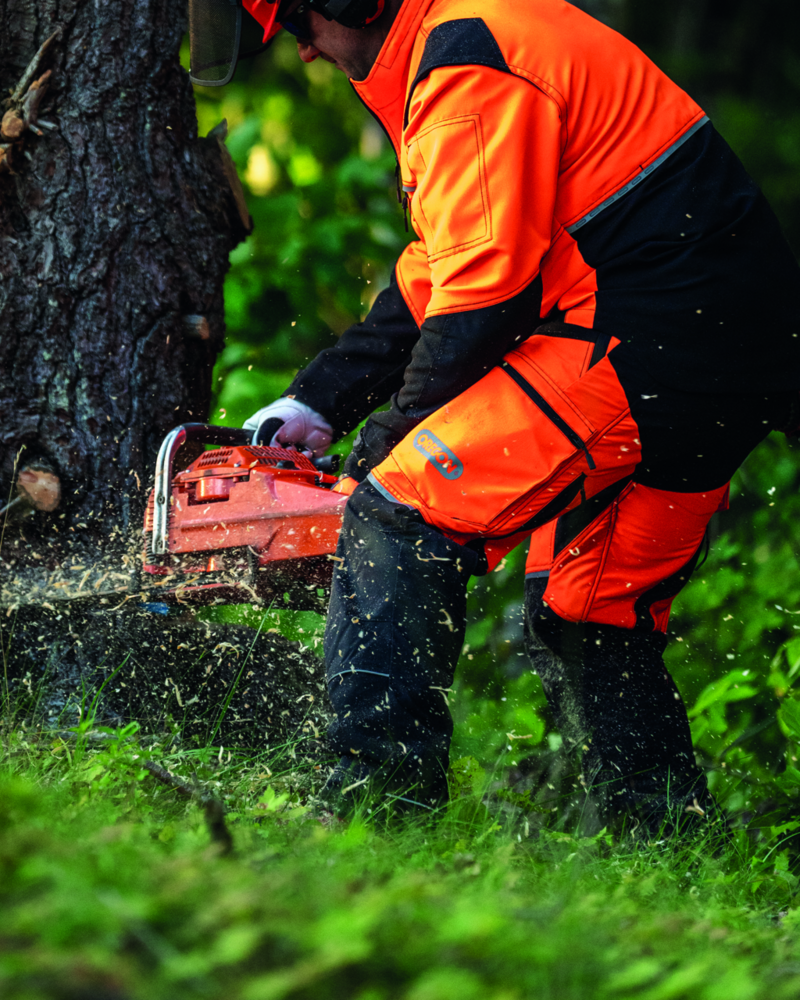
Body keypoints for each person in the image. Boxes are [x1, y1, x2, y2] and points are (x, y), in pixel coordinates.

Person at [189, 0, 800, 832]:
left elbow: (485, 297)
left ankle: (376, 813)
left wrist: (381, 452)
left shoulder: (463, 59)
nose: (308, 55)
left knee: (396, 514)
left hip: (644, 339)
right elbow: (443, 270)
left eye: (304, 29)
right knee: (592, 608)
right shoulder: (471, 39)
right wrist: (319, 399)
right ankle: (662, 833)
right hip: (721, 353)